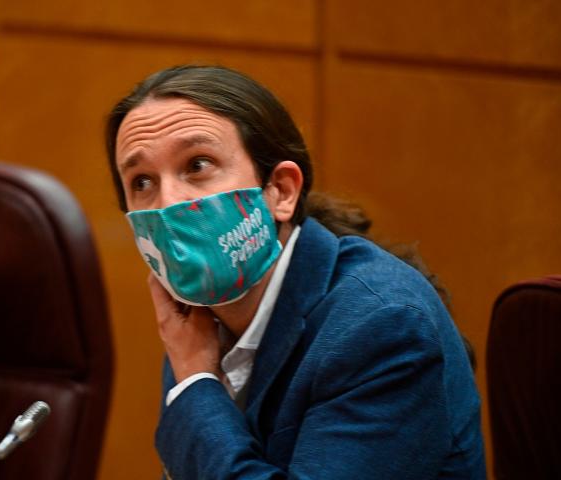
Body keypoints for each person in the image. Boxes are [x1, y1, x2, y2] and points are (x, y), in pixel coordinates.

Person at [105, 65, 485, 479]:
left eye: (198, 164)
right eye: (142, 182)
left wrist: (197, 381)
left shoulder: (383, 325)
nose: (168, 203)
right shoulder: (195, 321)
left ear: (281, 191)